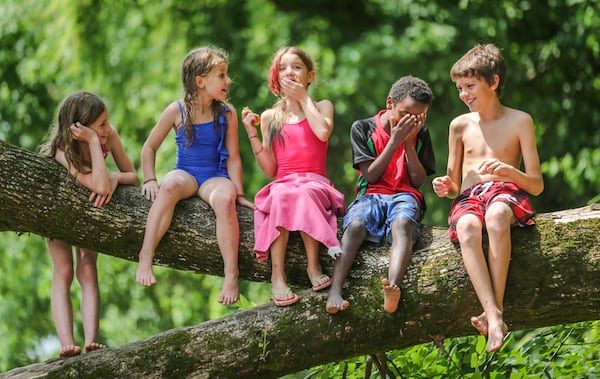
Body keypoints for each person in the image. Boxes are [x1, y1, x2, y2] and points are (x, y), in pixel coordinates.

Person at [432, 44, 544, 352]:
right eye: (459, 88)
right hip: (470, 196)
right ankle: (494, 313)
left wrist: (510, 171)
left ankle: (495, 313)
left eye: (470, 87)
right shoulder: (459, 125)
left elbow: (536, 185)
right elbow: (454, 184)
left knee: (495, 218)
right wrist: (445, 186)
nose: (463, 94)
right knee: (468, 227)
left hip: (505, 192)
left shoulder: (521, 121)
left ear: (493, 83)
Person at [136, 46, 252, 306]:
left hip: (214, 176)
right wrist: (150, 179)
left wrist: (239, 193)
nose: (228, 81)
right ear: (200, 82)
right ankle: (145, 257)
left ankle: (231, 274)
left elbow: (233, 156)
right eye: (221, 75)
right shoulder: (176, 110)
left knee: (225, 199)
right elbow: (149, 147)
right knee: (169, 185)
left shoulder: (227, 113)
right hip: (187, 173)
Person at [241, 46, 345, 307]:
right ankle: (277, 275)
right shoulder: (270, 117)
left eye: (297, 67)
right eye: (283, 67)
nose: (290, 72)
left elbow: (322, 132)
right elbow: (270, 170)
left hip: (315, 183)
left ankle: (313, 265)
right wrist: (252, 134)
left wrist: (303, 99)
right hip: (285, 183)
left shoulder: (322, 106)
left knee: (303, 192)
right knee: (281, 192)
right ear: (276, 77)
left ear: (309, 76)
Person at [38, 91, 138, 357]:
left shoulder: (108, 135)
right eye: (101, 124)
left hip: (88, 210)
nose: (107, 128)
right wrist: (94, 142)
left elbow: (133, 176)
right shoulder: (64, 149)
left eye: (107, 122)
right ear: (80, 128)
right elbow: (99, 185)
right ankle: (67, 342)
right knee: (63, 270)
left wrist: (116, 176)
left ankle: (92, 339)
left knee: (88, 268)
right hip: (57, 207)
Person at [325, 76, 435, 315]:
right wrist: (394, 142)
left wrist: (407, 144)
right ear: (390, 103)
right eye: (405, 113)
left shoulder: (421, 134)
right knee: (354, 227)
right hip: (371, 194)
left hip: (405, 195)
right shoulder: (362, 128)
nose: (409, 121)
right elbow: (371, 176)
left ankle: (393, 286)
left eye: (416, 117)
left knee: (403, 224)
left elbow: (417, 181)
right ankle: (335, 290)